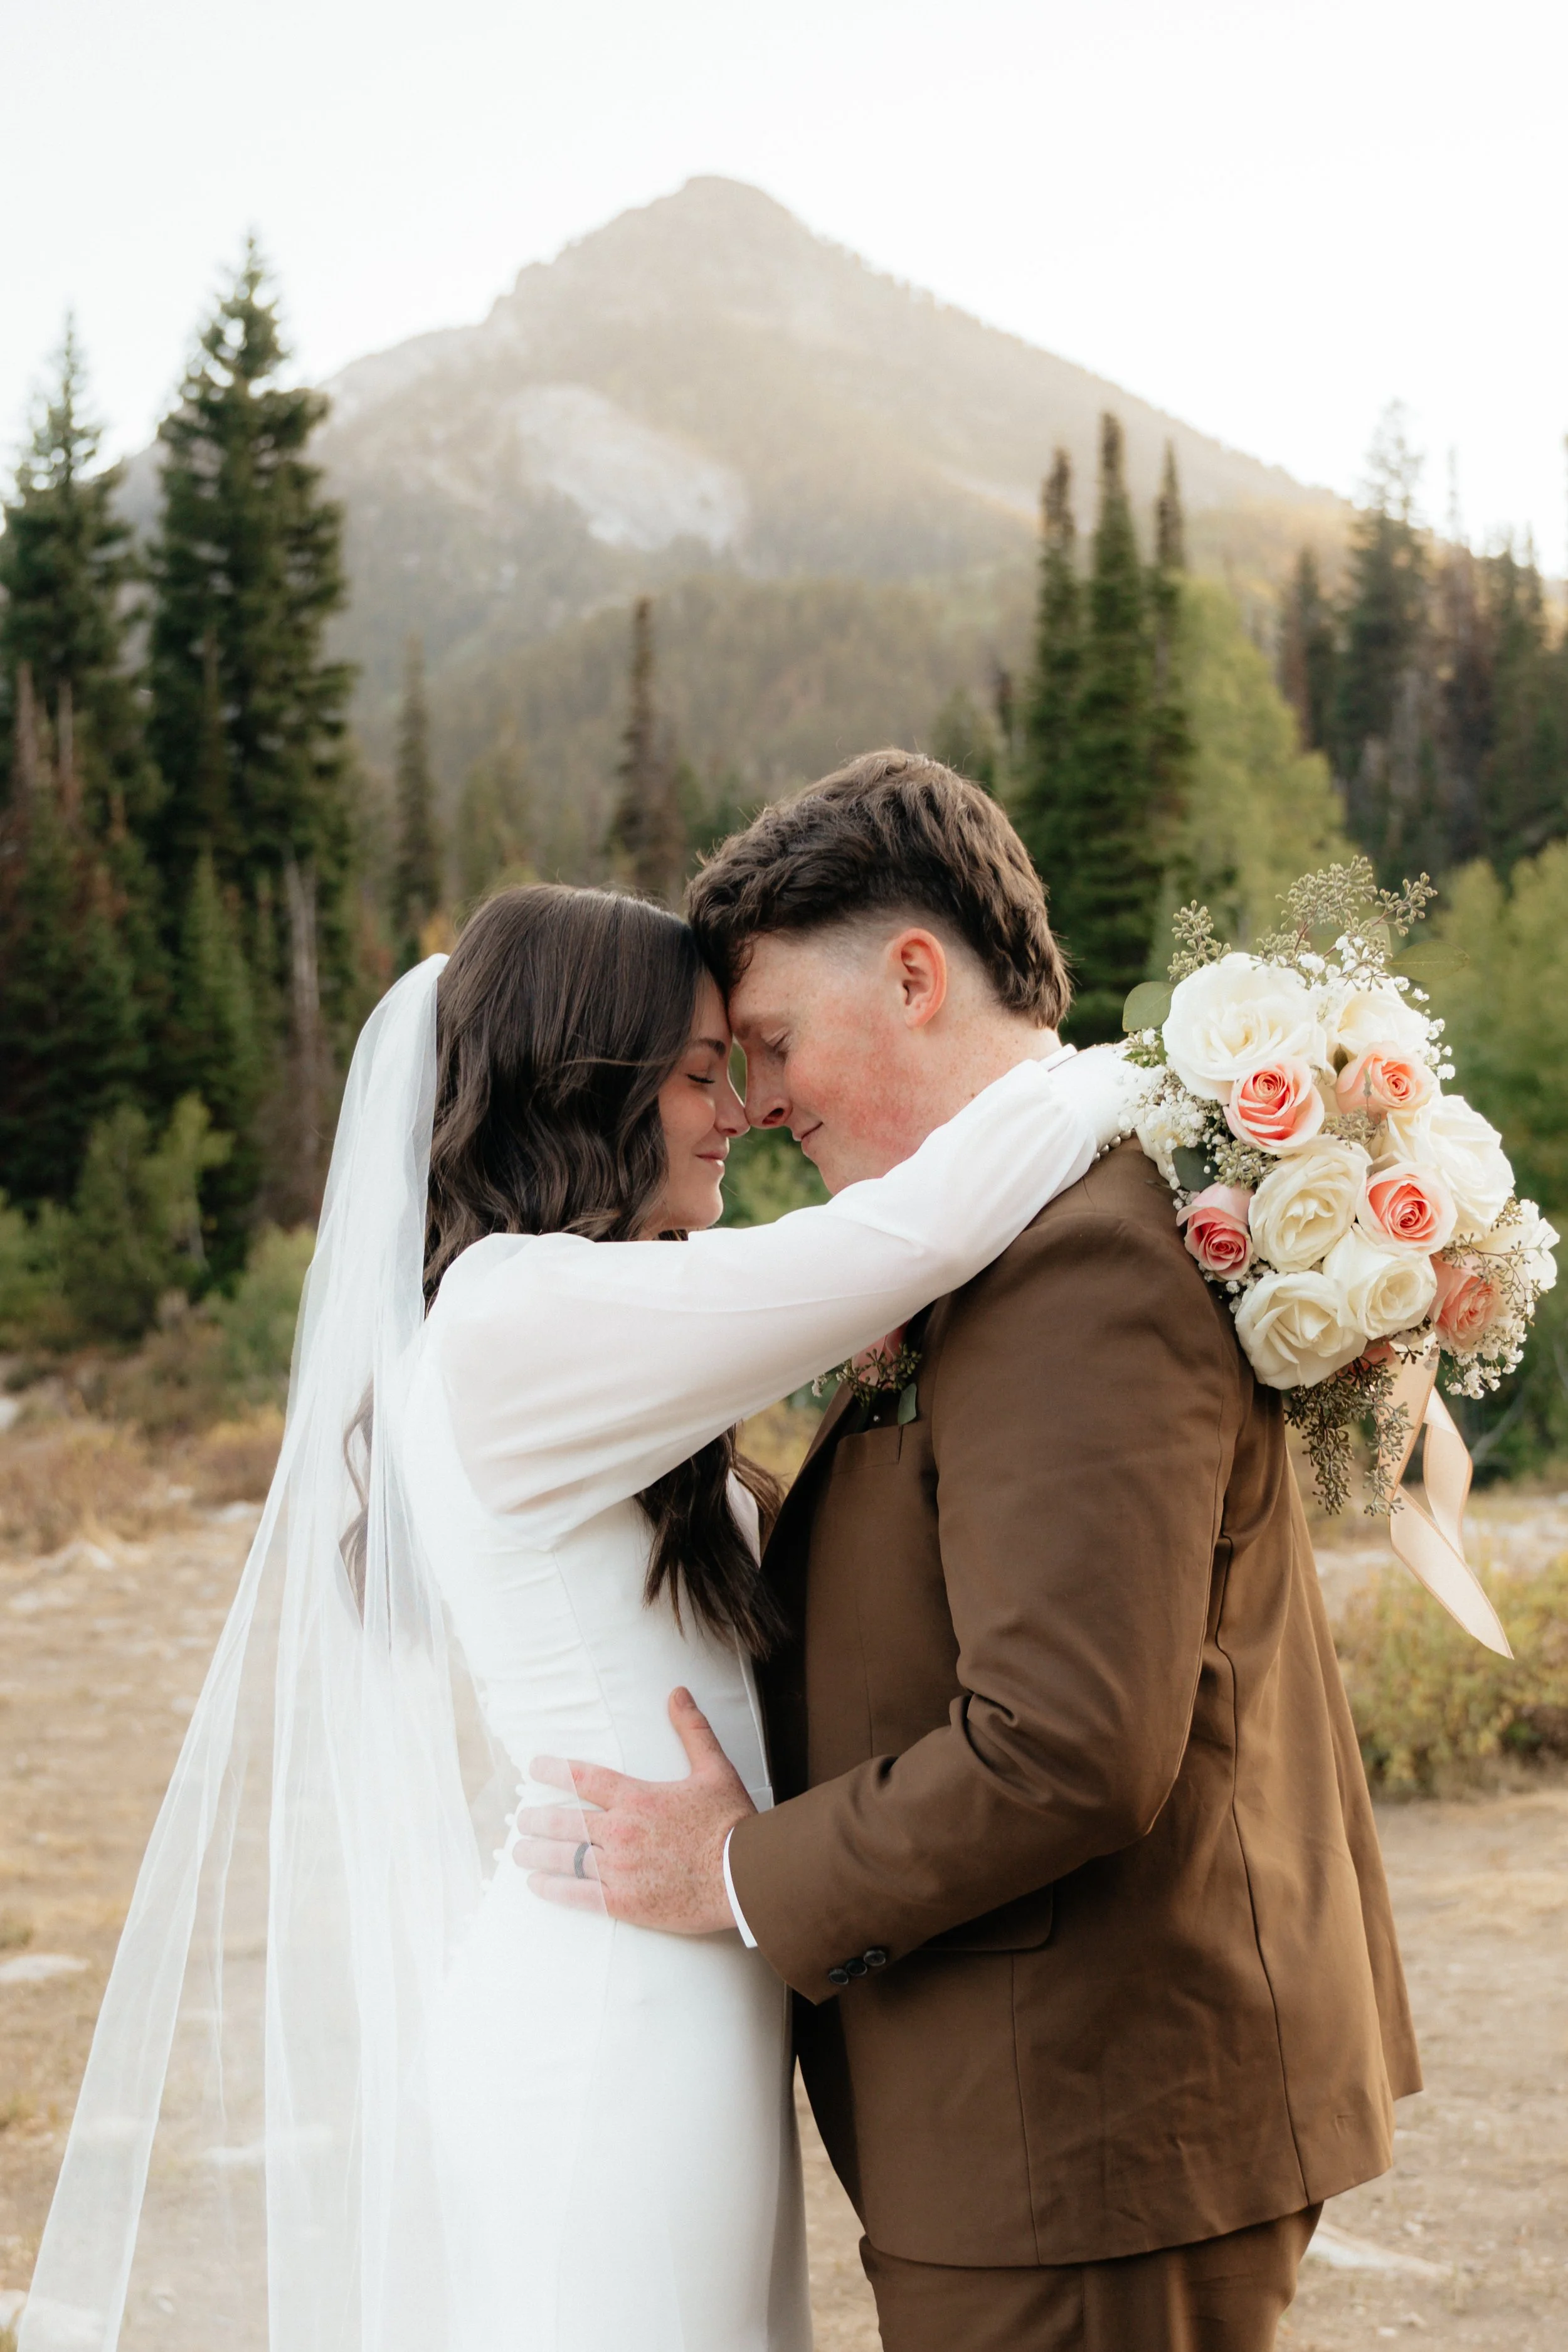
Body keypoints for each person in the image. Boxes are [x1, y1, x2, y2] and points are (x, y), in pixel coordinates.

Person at [18, 878, 1133, 2352]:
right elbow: (906, 1237)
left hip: (684, 1987)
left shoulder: (579, 1322)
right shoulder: (507, 1318)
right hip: (612, 2020)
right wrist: (1163, 1071)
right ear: (577, 1097)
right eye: (690, 1076)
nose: (733, 1111)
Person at [521, 751, 1422, 2352]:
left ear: (917, 976)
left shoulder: (1076, 1263)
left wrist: (731, 1871)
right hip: (1032, 2115)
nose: (763, 1102)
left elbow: (1065, 1744)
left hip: (1088, 2128)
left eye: (779, 1042)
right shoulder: (997, 1239)